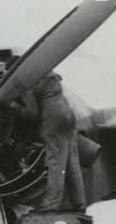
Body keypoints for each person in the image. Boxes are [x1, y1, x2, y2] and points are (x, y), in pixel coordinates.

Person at [32, 73, 86, 213]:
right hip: (66, 113)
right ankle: (79, 203)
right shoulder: (47, 71)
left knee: (55, 162)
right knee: (71, 162)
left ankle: (51, 204)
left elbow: (30, 112)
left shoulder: (26, 78)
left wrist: (12, 105)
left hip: (52, 116)